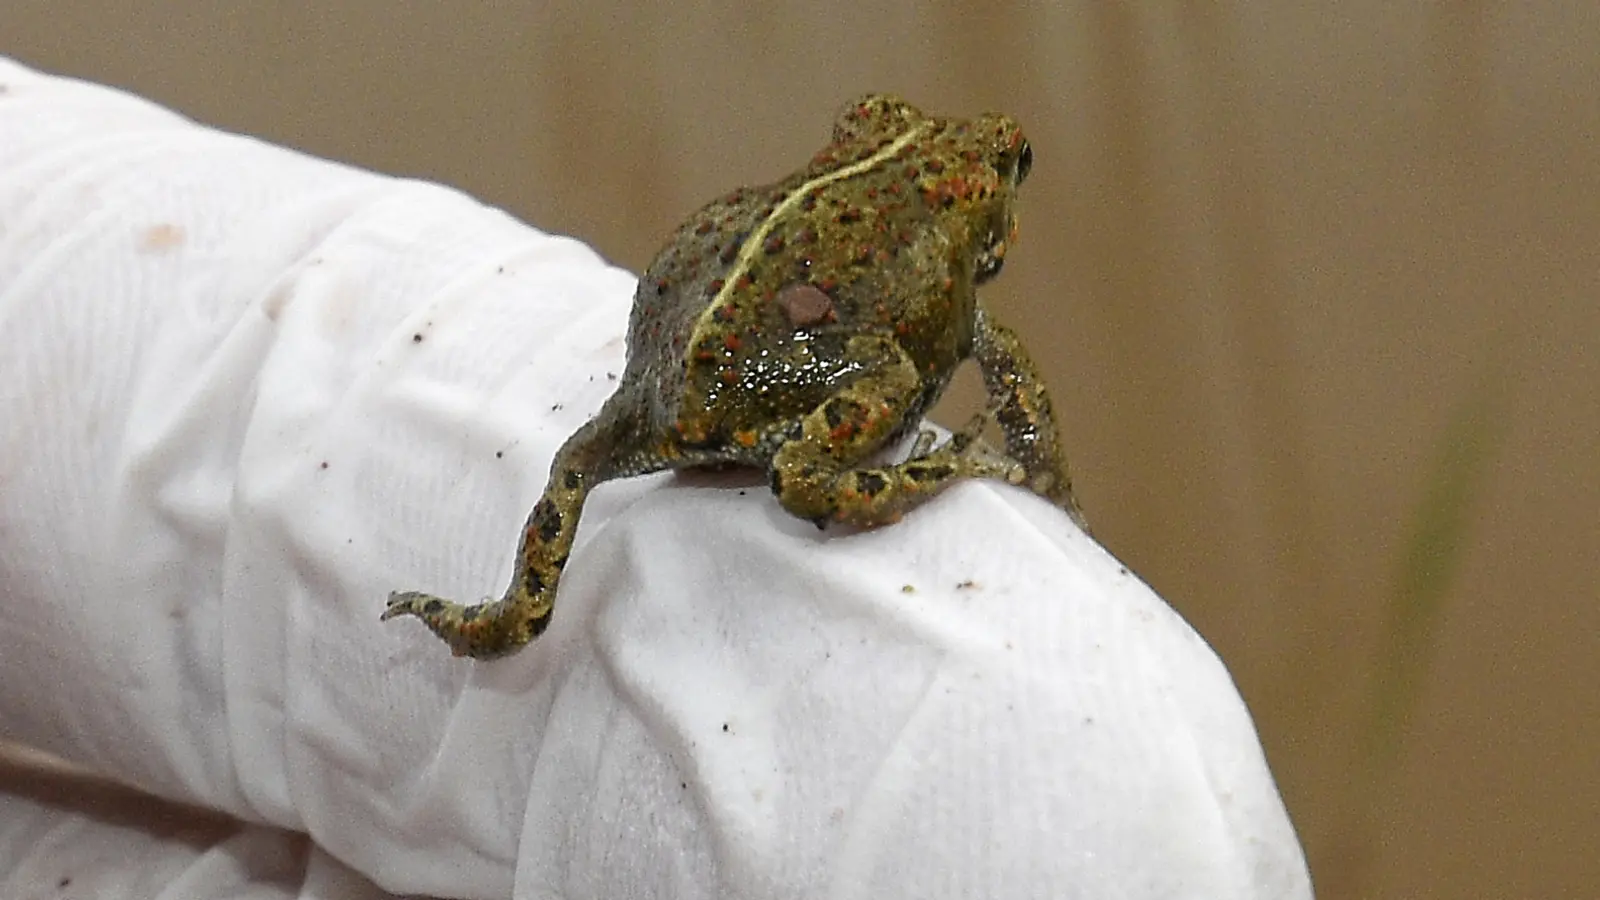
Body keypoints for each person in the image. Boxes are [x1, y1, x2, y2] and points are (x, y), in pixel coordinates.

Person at [0, 57, 1312, 899]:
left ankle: (509, 612)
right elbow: (1011, 389)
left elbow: (585, 453)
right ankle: (820, 482)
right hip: (754, 396)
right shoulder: (957, 297)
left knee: (582, 465)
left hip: (654, 396)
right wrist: (1011, 473)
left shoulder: (861, 261)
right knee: (827, 452)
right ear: (982, 218)